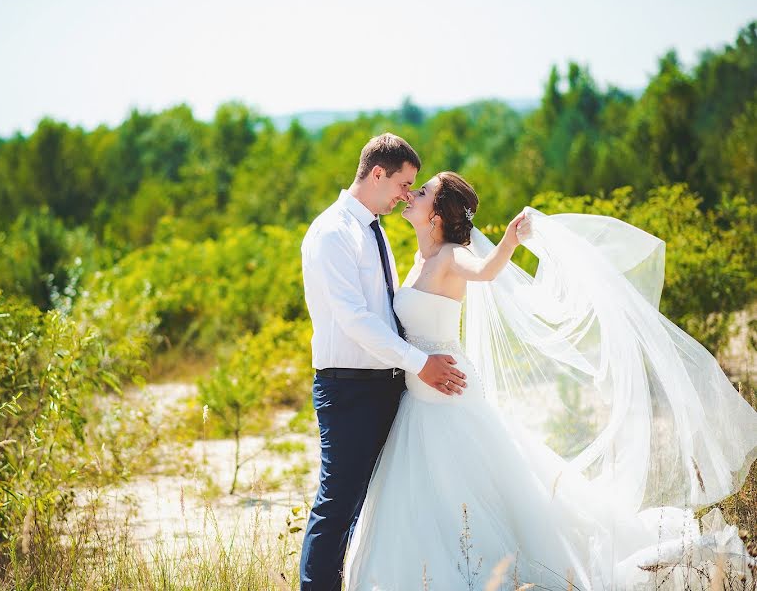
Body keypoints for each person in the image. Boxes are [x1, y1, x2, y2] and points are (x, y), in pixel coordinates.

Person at [342, 171, 757, 590]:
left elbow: (486, 271)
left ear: (437, 214)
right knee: (426, 495)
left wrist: (509, 241)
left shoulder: (451, 256)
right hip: (418, 400)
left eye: (423, 191)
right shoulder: (416, 259)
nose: (411, 194)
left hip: (449, 393)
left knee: (466, 487)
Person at [299, 134, 469, 590]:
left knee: (375, 504)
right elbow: (355, 320)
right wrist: (420, 363)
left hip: (386, 386)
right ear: (378, 173)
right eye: (404, 183)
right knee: (337, 505)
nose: (406, 195)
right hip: (349, 387)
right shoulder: (334, 232)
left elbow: (387, 312)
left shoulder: (372, 229)